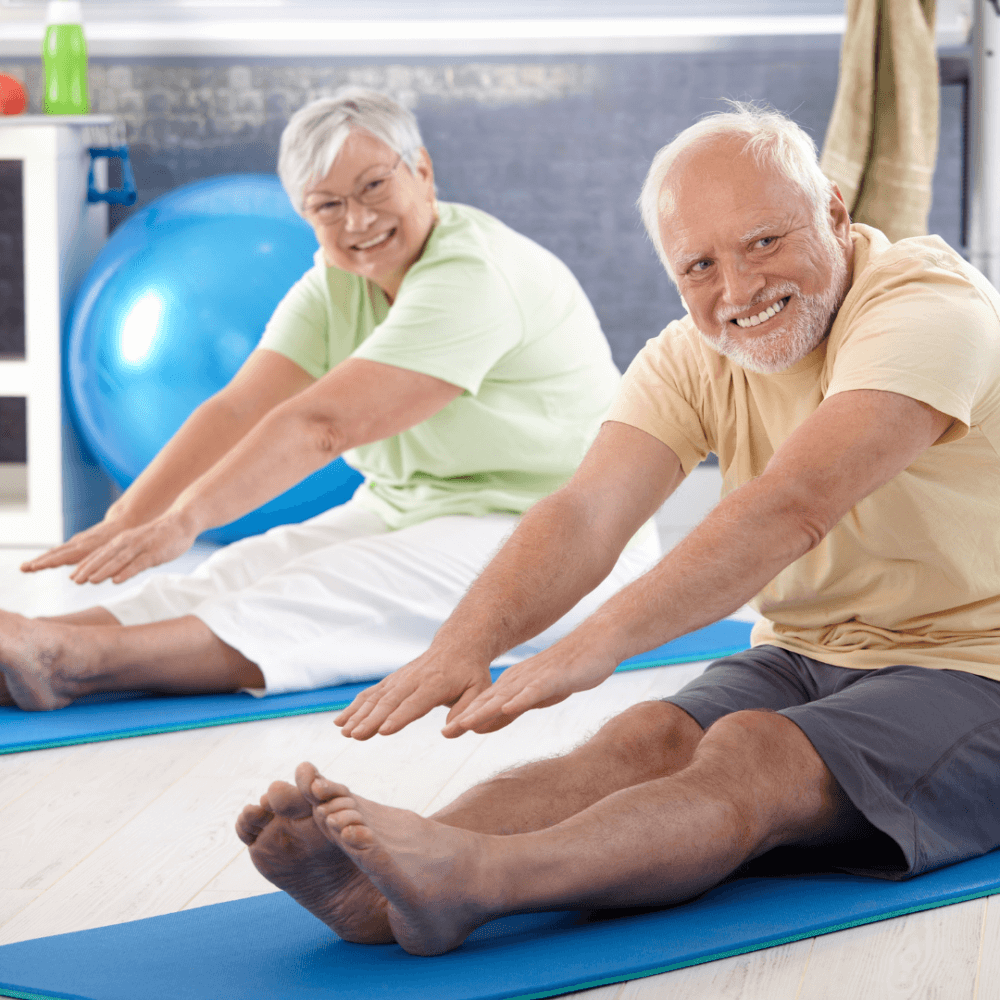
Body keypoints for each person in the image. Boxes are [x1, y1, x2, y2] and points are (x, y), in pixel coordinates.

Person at [235, 102, 1000, 957]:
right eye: (699, 265)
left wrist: (598, 641)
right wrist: (467, 642)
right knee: (644, 737)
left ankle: (475, 885)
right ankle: (383, 878)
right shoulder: (693, 352)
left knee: (753, 748)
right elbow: (587, 509)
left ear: (832, 211)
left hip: (978, 665)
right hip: (811, 651)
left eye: (764, 243)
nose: (738, 291)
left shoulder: (928, 310)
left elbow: (794, 504)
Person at [2, 87, 658, 711]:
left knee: (333, 587)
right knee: (242, 568)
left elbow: (322, 427)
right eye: (328, 206)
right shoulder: (336, 284)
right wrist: (130, 515)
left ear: (421, 170)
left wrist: (185, 519)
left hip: (570, 539)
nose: (359, 220)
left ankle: (70, 662)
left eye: (374, 186)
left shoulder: (475, 275)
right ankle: (33, 638)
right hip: (415, 509)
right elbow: (238, 408)